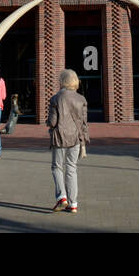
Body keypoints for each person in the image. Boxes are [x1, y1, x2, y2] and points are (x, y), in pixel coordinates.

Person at [47, 68, 88, 214]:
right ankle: (73, 204)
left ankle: (61, 197)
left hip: (59, 137)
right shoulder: (81, 99)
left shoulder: (56, 98)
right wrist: (83, 142)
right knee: (71, 169)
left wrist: (48, 124)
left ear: (62, 81)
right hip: (76, 138)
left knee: (57, 167)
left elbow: (52, 122)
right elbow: (83, 124)